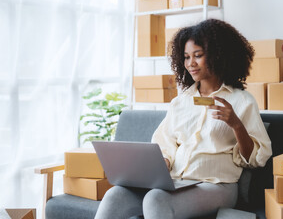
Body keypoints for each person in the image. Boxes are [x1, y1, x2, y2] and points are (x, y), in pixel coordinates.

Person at [95, 18, 272, 219]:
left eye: (198, 56)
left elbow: (258, 159)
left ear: (217, 55)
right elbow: (165, 145)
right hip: (177, 183)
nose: (191, 64)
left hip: (216, 186)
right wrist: (162, 164)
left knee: (155, 199)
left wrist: (236, 125)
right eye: (186, 57)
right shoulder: (180, 103)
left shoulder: (242, 101)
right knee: (115, 194)